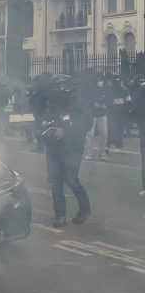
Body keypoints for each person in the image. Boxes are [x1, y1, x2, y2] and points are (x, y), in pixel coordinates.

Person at [42, 77, 93, 228]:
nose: (56, 90)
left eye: (59, 87)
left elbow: (86, 123)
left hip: (72, 147)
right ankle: (60, 216)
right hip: (54, 147)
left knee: (71, 179)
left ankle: (84, 209)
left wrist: (65, 132)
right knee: (55, 182)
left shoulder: (78, 101)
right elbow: (45, 115)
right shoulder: (51, 101)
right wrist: (45, 123)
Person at [83, 73, 108, 161]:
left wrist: (105, 105)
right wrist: (94, 104)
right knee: (90, 135)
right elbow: (87, 100)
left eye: (102, 80)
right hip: (92, 114)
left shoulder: (105, 89)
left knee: (104, 134)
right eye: (99, 80)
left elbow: (109, 100)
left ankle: (102, 153)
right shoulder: (91, 89)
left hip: (102, 114)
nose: (101, 82)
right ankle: (88, 153)